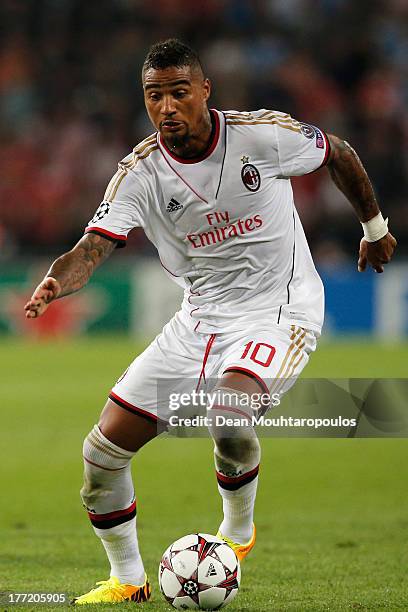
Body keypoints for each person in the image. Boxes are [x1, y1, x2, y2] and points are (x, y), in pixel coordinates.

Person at [25, 39, 397, 605]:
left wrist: (374, 228)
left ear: (205, 90)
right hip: (197, 323)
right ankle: (127, 580)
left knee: (228, 412)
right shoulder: (141, 174)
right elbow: (92, 246)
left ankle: (237, 533)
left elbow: (339, 152)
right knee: (101, 454)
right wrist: (58, 280)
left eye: (178, 92)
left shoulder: (262, 135)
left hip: (280, 308)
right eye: (155, 96)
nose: (167, 107)